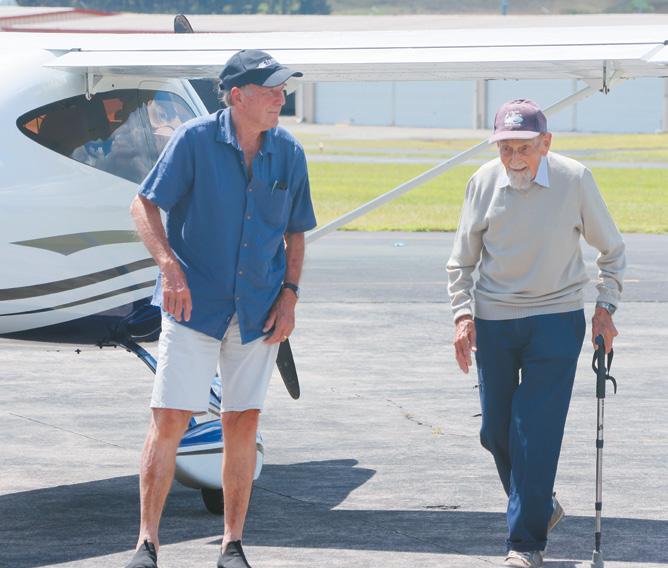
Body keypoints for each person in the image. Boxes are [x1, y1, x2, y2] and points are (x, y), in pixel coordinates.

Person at [125, 49, 317, 568]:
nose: (281, 98)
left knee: (242, 421)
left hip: (259, 311)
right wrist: (169, 266)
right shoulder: (194, 140)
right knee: (170, 419)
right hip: (193, 306)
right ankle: (147, 544)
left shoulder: (289, 151)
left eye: (283, 90)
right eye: (271, 90)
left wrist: (290, 296)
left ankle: (232, 545)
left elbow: (296, 231)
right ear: (237, 96)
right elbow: (144, 204)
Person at [447, 99, 625, 568]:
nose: (514, 159)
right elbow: (461, 261)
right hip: (494, 320)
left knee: (534, 431)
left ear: (546, 143)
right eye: (505, 148)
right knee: (494, 430)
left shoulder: (575, 179)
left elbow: (612, 250)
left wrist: (605, 307)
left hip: (556, 318)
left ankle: (525, 545)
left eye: (523, 148)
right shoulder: (482, 182)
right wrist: (463, 316)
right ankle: (540, 506)